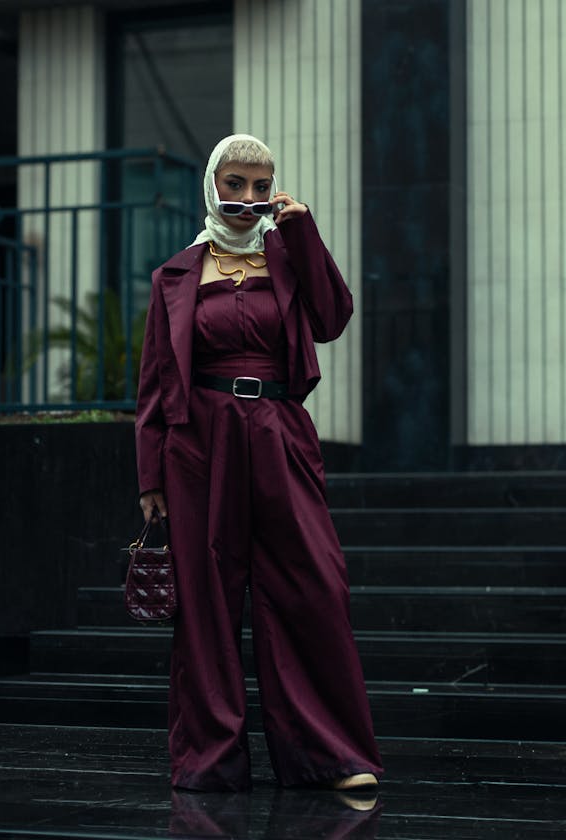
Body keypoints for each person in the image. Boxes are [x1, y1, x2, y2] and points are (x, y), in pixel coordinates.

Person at [135, 133, 384, 792]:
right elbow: (156, 382)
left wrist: (303, 234)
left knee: (314, 586)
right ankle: (212, 759)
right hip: (198, 444)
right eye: (234, 183)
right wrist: (149, 478)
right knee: (207, 601)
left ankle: (331, 757)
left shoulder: (287, 256)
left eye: (259, 184)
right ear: (212, 185)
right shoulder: (177, 274)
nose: (247, 198)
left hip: (279, 431)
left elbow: (332, 318)